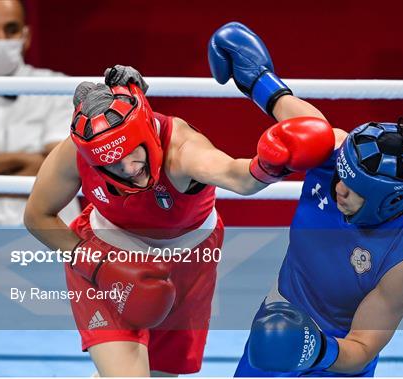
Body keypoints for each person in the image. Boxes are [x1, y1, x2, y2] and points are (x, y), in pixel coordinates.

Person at [23, 64, 336, 376]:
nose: (130, 169)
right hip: (105, 249)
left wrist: (269, 165)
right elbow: (37, 215)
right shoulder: (78, 152)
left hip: (189, 261)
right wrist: (96, 264)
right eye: (114, 166)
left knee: (162, 375)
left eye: (133, 154)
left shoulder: (183, 150)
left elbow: (237, 178)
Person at [208, 22, 403, 377]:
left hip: (337, 356)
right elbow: (282, 103)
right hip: (280, 314)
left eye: (353, 188)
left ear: (387, 201)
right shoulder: (332, 150)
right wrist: (255, 77)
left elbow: (362, 347)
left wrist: (312, 347)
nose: (339, 187)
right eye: (342, 175)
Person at [0, 0, 78, 225]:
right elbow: (45, 169)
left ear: (26, 36)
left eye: (11, 29)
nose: (1, 40)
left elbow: (62, 167)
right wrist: (23, 159)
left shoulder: (59, 88)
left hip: (49, 239)